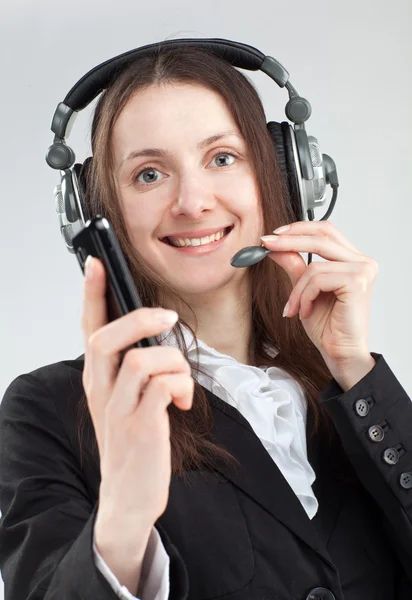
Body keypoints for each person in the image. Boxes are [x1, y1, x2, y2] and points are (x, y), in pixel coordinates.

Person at [0, 44, 412, 600]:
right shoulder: (48, 410)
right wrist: (123, 516)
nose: (192, 201)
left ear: (283, 175)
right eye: (149, 174)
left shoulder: (344, 391)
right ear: (101, 212)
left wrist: (357, 372)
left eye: (222, 158)